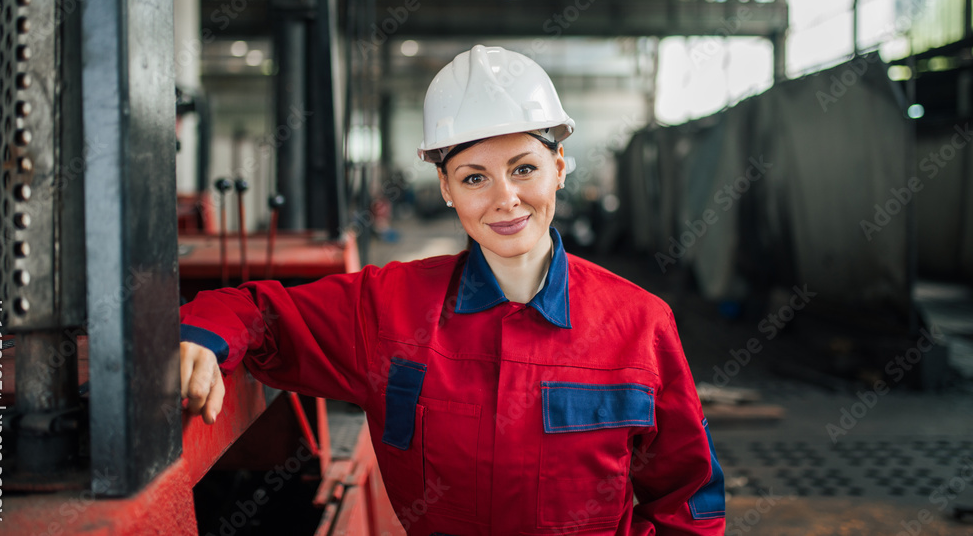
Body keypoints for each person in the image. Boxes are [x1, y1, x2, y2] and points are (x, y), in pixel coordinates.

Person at [179, 45, 726, 535]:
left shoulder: (639, 323)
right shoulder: (389, 306)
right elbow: (259, 311)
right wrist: (203, 337)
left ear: (559, 168)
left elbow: (687, 498)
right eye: (473, 177)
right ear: (445, 188)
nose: (505, 198)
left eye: (524, 168)